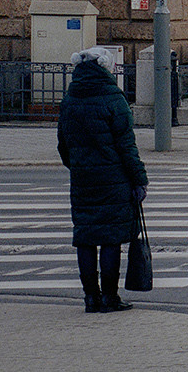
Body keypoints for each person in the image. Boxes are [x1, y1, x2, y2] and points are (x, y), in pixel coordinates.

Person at [57, 47, 146, 314]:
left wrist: (78, 167)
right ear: (104, 68)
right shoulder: (112, 98)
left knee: (85, 236)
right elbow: (126, 145)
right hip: (114, 178)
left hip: (82, 178)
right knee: (110, 238)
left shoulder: (70, 98)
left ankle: (90, 298)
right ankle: (109, 297)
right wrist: (139, 179)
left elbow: (63, 144)